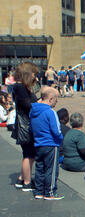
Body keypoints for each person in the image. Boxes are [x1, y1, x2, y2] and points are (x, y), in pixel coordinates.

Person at [29, 87, 64, 200]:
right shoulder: (50, 112)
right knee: (51, 169)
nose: (56, 102)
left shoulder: (33, 111)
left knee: (39, 167)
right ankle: (50, 192)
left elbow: (31, 128)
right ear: (50, 99)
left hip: (38, 143)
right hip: (51, 144)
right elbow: (56, 131)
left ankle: (39, 191)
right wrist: (60, 139)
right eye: (56, 100)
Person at [12, 61, 39, 191]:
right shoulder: (21, 88)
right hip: (26, 127)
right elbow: (29, 106)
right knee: (29, 155)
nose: (35, 76)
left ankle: (21, 178)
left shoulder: (20, 87)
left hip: (24, 125)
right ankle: (27, 182)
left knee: (28, 154)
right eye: (33, 73)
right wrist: (41, 101)